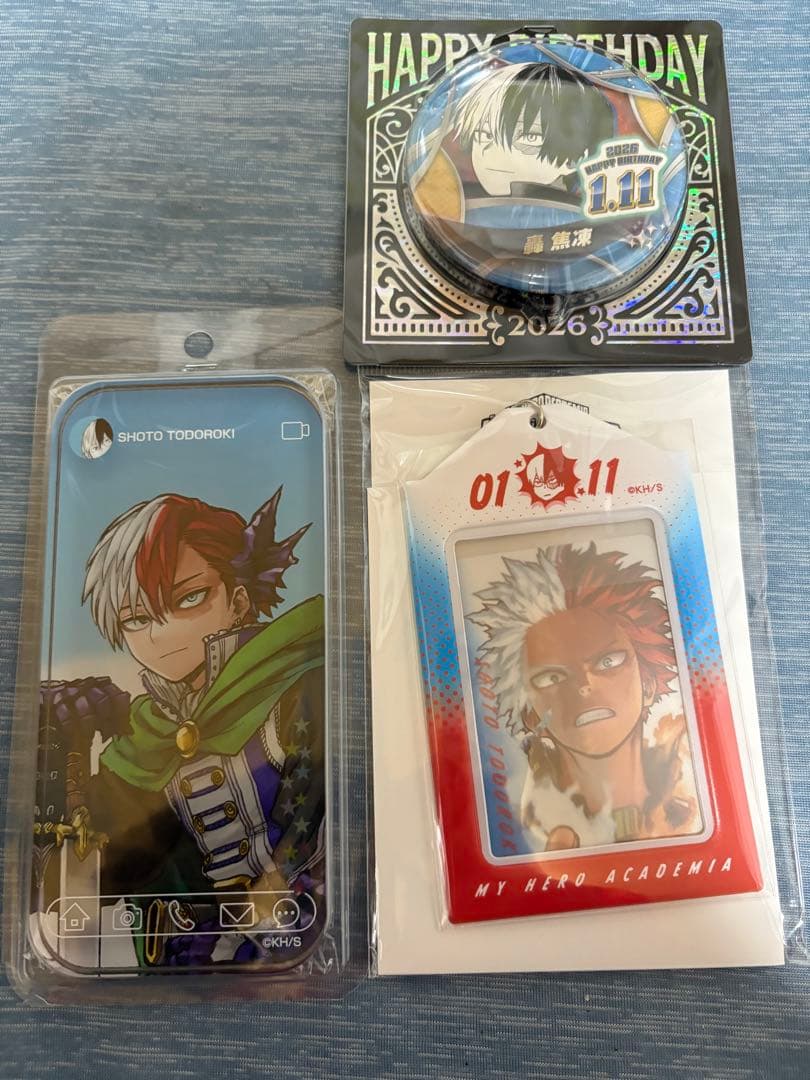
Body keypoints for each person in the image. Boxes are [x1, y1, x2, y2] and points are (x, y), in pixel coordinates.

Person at [39, 488, 325, 966]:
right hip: (193, 947)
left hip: (295, 926)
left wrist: (281, 879)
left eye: (190, 598)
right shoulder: (148, 735)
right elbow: (111, 866)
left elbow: (318, 810)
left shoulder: (296, 686)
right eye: (136, 618)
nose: (161, 632)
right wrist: (64, 775)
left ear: (238, 599)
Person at [469, 542, 700, 852]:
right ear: (530, 715)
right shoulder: (525, 829)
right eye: (551, 677)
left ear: (648, 684)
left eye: (608, 662)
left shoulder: (689, 798)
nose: (584, 684)